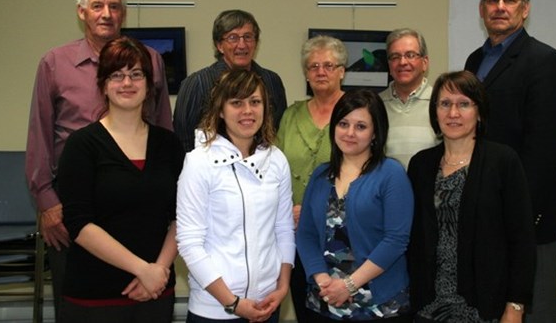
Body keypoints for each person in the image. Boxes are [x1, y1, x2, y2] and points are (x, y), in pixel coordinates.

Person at [25, 0, 173, 319]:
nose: (106, 13)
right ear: (81, 12)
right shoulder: (54, 63)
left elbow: (163, 128)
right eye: (97, 6)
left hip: (141, 208)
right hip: (74, 210)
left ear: (123, 13)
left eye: (114, 6)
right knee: (79, 301)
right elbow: (39, 136)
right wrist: (48, 204)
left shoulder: (150, 60)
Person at [464, 0, 556, 321]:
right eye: (493, 0)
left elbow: (545, 149)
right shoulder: (474, 60)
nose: (500, 7)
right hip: (485, 208)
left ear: (524, 9)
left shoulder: (545, 61)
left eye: (509, 0)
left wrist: (515, 211)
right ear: (481, 9)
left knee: (532, 308)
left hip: (529, 213)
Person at [56, 36, 183, 323]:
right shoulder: (81, 145)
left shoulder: (169, 144)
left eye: (136, 74)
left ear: (149, 84)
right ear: (102, 84)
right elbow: (79, 224)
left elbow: (182, 216)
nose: (127, 83)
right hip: (94, 296)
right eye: (117, 75)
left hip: (155, 292)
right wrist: (142, 269)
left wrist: (158, 271)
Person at [407, 70, 536, 322]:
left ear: (479, 112)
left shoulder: (502, 161)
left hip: (484, 305)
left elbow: (521, 240)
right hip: (429, 305)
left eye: (464, 104)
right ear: (435, 111)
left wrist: (515, 305)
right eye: (445, 104)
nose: (453, 113)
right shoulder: (420, 165)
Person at [176, 69, 295, 322]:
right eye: (236, 103)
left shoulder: (276, 160)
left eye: (255, 102)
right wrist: (233, 303)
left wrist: (282, 287)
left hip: (267, 304)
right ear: (220, 110)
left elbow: (283, 229)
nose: (248, 111)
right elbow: (189, 242)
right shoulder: (199, 162)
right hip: (214, 310)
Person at [296, 89, 413, 322]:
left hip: (378, 305)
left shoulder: (391, 174)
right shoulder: (321, 175)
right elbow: (306, 234)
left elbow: (396, 240)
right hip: (325, 301)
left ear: (375, 133)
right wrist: (323, 280)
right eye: (343, 123)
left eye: (361, 126)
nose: (350, 133)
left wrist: (349, 285)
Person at [276, 35, 347, 323]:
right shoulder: (291, 115)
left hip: (344, 236)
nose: (320, 72)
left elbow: (365, 172)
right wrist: (286, 210)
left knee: (340, 310)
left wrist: (315, 213)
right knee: (306, 311)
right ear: (305, 73)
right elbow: (275, 171)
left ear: (342, 70)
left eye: (329, 65)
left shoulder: (356, 112)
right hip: (294, 234)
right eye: (313, 66)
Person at [173, 9, 287, 152]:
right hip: (211, 170)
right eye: (233, 38)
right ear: (219, 45)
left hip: (262, 168)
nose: (242, 45)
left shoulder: (272, 81)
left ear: (256, 43)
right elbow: (183, 139)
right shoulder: (197, 83)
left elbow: (278, 132)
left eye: (248, 37)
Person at [379, 28, 439, 167]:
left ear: (425, 62)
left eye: (410, 55)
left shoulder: (441, 103)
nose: (402, 62)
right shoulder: (374, 105)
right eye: (395, 57)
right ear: (389, 65)